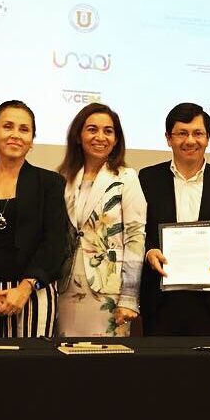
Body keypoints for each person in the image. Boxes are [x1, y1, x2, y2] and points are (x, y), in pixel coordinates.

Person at [0, 100, 68, 337]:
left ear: (32, 140)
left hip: (34, 292)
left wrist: (25, 287)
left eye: (24, 129)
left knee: (32, 361)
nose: (16, 135)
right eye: (8, 126)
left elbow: (55, 242)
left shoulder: (50, 183)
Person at [138, 103, 210, 335]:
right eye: (181, 133)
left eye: (198, 133)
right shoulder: (148, 179)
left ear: (208, 138)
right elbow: (137, 231)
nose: (190, 140)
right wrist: (149, 252)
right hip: (161, 301)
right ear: (168, 138)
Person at [57, 103, 147, 337]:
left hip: (109, 289)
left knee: (107, 356)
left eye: (108, 131)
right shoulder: (63, 178)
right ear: (78, 136)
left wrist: (129, 297)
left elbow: (136, 237)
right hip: (64, 288)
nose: (100, 137)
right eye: (92, 129)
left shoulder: (126, 177)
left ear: (116, 140)